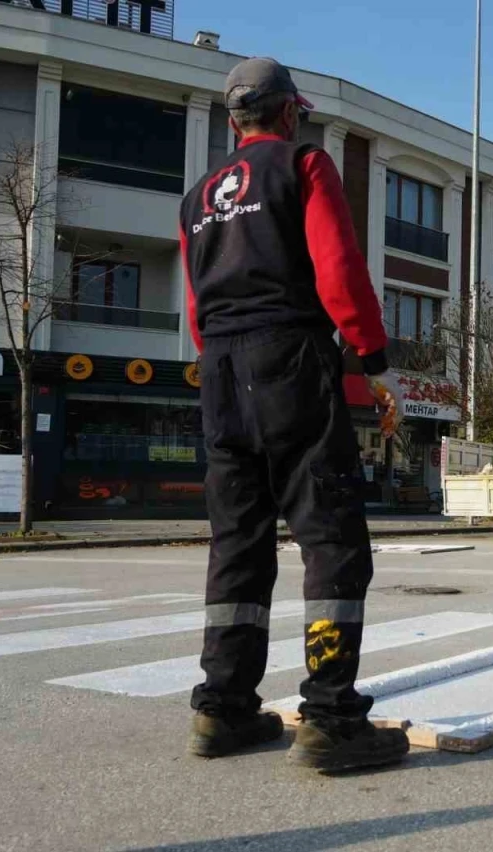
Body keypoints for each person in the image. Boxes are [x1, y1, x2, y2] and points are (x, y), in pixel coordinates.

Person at [179, 57, 409, 772]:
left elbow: (194, 304)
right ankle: (330, 718)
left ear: (231, 120)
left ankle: (223, 709)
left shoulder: (197, 198)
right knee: (332, 537)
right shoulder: (304, 165)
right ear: (286, 114)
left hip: (219, 366)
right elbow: (338, 269)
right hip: (291, 359)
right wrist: (373, 359)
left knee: (238, 544)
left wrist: (225, 358)